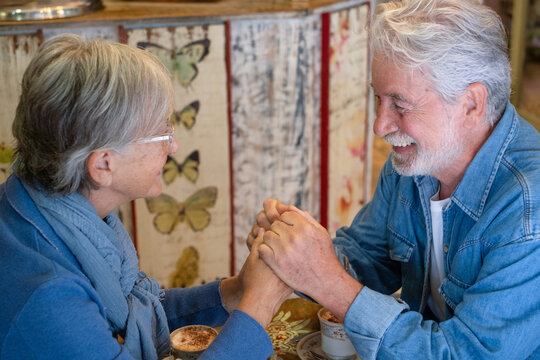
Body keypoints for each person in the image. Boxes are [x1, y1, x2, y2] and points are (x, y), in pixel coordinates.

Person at [248, 0, 540, 359]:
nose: (380, 126)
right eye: (378, 99)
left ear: (471, 104)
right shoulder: (416, 164)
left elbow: (462, 354)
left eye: (400, 105)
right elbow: (369, 259)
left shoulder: (529, 211)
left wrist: (328, 281)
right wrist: (297, 250)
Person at [0, 34, 291, 360]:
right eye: (163, 132)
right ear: (103, 164)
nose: (174, 146)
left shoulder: (62, 210)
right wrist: (260, 305)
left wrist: (237, 292)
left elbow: (140, 309)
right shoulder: (49, 296)